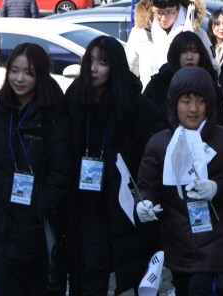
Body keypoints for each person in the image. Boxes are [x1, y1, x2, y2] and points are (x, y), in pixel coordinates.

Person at [136, 68, 223, 296]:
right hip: (177, 241)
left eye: (200, 101)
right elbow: (146, 186)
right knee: (185, 288)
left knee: (200, 288)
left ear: (209, 105)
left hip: (215, 239)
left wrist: (217, 188)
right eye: (186, 101)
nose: (193, 109)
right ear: (174, 103)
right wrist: (143, 204)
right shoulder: (160, 144)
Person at [63, 36, 164, 296]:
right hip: (78, 199)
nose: (94, 68)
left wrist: (143, 190)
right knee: (79, 267)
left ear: (115, 66)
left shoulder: (132, 103)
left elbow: (153, 152)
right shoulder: (74, 97)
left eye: (103, 63)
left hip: (117, 202)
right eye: (91, 61)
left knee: (96, 268)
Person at [0, 43, 73, 296]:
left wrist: (36, 206)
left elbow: (61, 175)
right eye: (14, 70)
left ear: (40, 74)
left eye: (28, 72)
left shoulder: (52, 114)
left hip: (32, 229)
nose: (19, 78)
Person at [126, 0, 217, 80]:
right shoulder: (140, 33)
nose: (163, 18)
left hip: (188, 92)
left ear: (178, 8)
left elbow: (213, 67)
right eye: (158, 13)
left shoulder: (195, 32)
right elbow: (129, 69)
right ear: (151, 8)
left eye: (169, 12)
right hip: (150, 93)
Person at [143, 31, 223, 127]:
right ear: (175, 54)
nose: (189, 57)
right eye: (184, 52)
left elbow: (221, 122)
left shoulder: (210, 84)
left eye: (194, 52)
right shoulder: (159, 84)